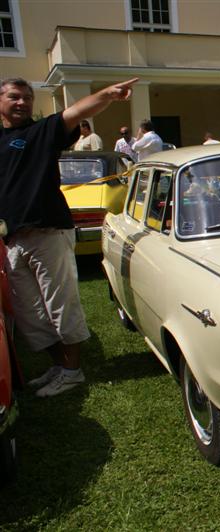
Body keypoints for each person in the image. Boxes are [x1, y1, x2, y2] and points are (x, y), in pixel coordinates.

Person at [0, 76, 137, 397]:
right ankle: (60, 366)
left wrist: (107, 94)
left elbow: (75, 112)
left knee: (60, 304)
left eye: (26, 98)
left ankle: (72, 371)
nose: (21, 103)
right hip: (13, 239)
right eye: (14, 97)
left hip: (48, 231)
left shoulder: (40, 132)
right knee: (30, 314)